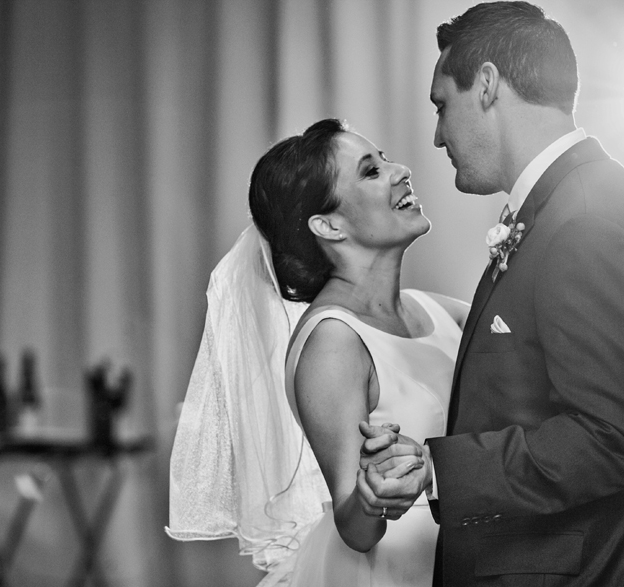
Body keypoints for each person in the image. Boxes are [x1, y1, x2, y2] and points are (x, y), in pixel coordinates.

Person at [357, 2, 624, 586]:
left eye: (442, 105)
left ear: (486, 84)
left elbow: (607, 440)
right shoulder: (569, 205)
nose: (437, 136)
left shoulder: (590, 220)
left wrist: (439, 470)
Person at [167, 118, 467, 587]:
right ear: (328, 225)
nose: (401, 170)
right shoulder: (333, 342)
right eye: (371, 171)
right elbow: (355, 527)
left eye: (385, 159)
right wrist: (371, 497)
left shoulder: (442, 312)